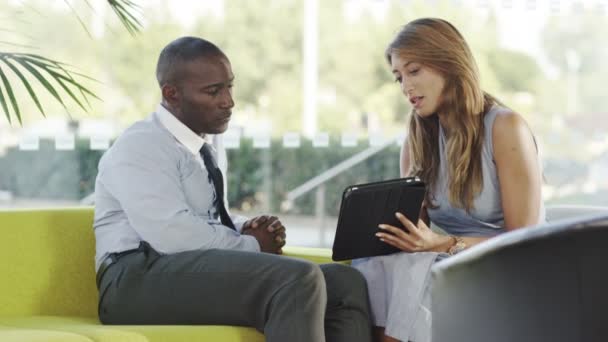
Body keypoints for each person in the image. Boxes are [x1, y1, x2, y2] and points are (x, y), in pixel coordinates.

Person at [93, 36, 372, 342]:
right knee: (296, 279)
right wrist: (252, 245)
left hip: (185, 267)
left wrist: (245, 227)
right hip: (133, 280)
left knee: (345, 284)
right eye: (213, 91)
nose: (228, 101)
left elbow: (205, 218)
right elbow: (172, 234)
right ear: (171, 94)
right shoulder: (141, 145)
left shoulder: (206, 142)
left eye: (229, 86)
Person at [352, 18, 545, 342]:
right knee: (374, 265)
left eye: (414, 71)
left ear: (448, 64)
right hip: (453, 263)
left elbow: (522, 241)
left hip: (514, 266)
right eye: (399, 77)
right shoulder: (418, 138)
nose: (405, 87)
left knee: (418, 272)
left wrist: (443, 244)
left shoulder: (505, 127)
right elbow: (417, 234)